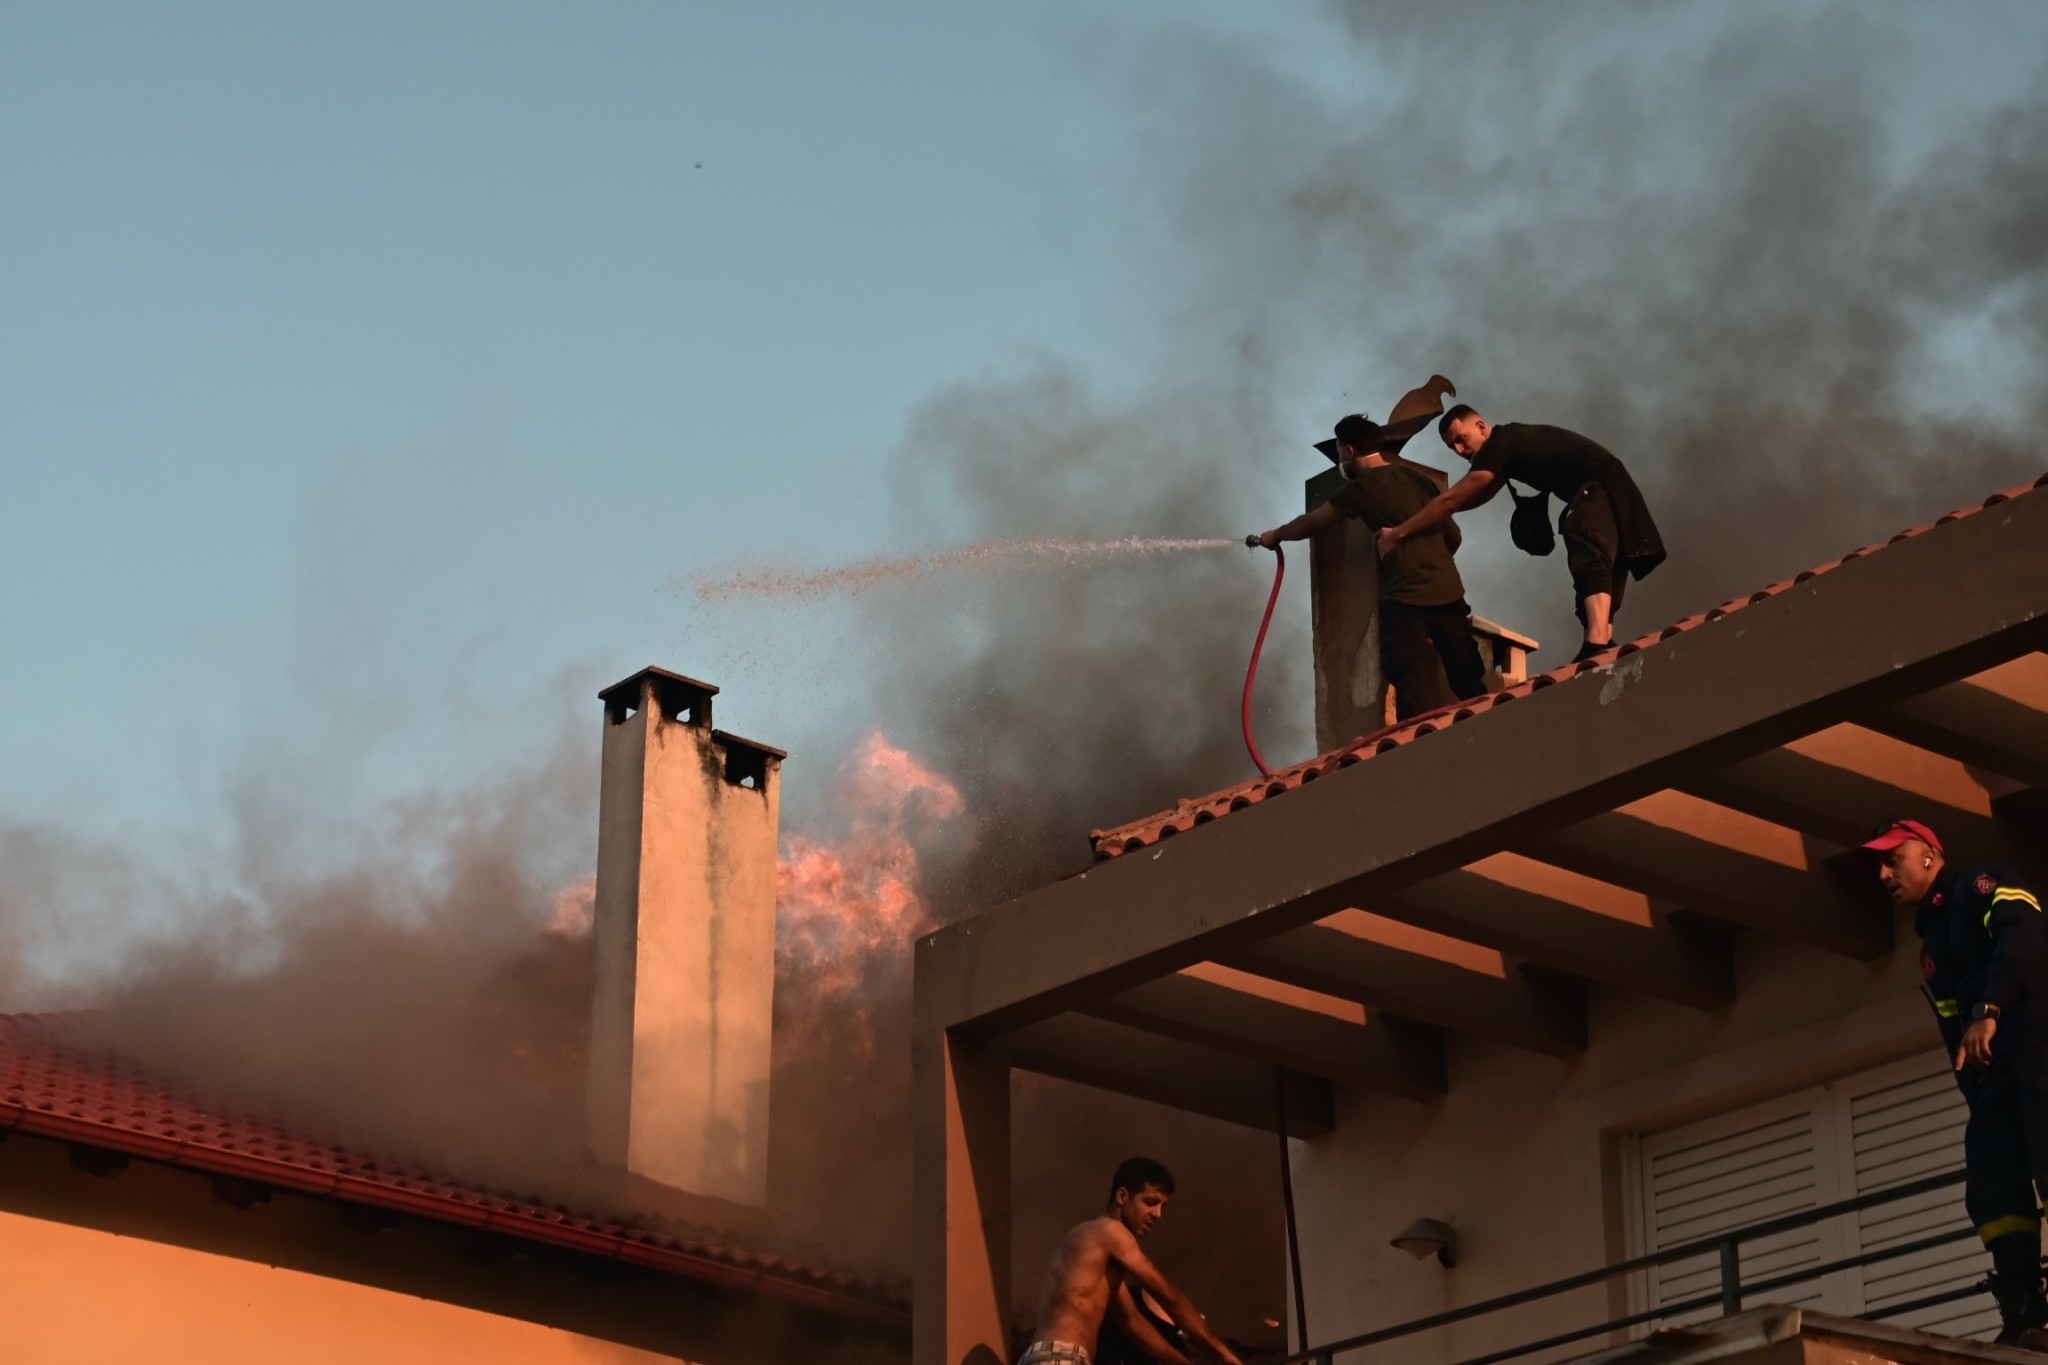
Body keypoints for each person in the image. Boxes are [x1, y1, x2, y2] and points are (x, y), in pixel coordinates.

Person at [1861, 818, 2048, 1347]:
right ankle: (2025, 1314)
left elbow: (2026, 935)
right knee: (1992, 1181)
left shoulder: (1981, 885)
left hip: (2037, 1046)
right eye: (1879, 865)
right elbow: (1951, 1021)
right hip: (1994, 1078)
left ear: (1929, 854)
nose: (1883, 873)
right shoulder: (1932, 943)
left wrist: (1990, 1009)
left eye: (1892, 858)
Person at [1375, 405, 1666, 663]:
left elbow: (1454, 499)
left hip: (1600, 485)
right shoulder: (1508, 451)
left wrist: (1399, 533)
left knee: (1587, 550)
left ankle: (1597, 644)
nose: (1460, 451)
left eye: (1461, 440)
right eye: (1452, 447)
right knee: (1606, 566)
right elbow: (1473, 497)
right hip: (1613, 488)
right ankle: (1605, 641)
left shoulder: (1502, 443)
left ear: (1481, 427)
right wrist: (1437, 515)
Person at [1255, 414, 1490, 720]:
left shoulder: (1359, 489)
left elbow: (1311, 523)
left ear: (1349, 451)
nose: (1340, 460)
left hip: (1404, 600)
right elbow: (1454, 536)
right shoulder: (1420, 480)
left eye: (1340, 452)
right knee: (1468, 679)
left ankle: (1415, 757)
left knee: (1410, 685)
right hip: (1449, 593)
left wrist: (1276, 535)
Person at [1020, 1157, 1242, 1365]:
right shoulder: (1110, 1231)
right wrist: (1225, 1355)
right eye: (1151, 1202)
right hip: (1062, 1358)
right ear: (1122, 1197)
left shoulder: (1090, 1244)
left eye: (1162, 1206)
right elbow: (1169, 1296)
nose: (1157, 1214)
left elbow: (1133, 1323)